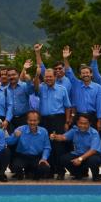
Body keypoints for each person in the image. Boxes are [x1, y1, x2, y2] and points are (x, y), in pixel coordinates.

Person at [31, 44, 72, 179]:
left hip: (58, 119)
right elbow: (35, 85)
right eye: (46, 77)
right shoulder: (41, 87)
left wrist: (67, 122)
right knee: (46, 145)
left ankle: (60, 171)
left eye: (50, 77)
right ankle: (49, 171)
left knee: (58, 146)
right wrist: (37, 73)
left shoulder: (62, 89)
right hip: (44, 120)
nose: (48, 78)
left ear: (55, 77)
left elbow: (67, 106)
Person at [62, 47, 101, 130]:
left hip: (92, 116)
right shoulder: (76, 84)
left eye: (87, 73)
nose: (85, 75)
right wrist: (65, 59)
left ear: (91, 74)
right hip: (78, 116)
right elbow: (69, 72)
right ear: (80, 75)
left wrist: (99, 120)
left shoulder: (98, 87)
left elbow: (99, 105)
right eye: (83, 73)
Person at [54, 114, 101, 181]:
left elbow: (93, 150)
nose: (82, 125)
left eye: (85, 123)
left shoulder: (94, 133)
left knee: (94, 160)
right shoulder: (74, 130)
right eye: (80, 123)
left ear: (90, 123)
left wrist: (80, 159)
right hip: (77, 154)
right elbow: (63, 137)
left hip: (89, 155)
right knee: (63, 159)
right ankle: (78, 174)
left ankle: (96, 176)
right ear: (77, 123)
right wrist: (55, 136)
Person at [7, 111, 52, 180]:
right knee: (15, 166)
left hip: (36, 157)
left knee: (44, 168)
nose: (32, 122)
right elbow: (9, 142)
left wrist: (43, 159)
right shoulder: (20, 129)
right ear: (27, 120)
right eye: (30, 120)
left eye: (35, 120)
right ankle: (20, 175)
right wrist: (15, 136)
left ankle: (33, 175)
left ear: (38, 121)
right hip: (22, 156)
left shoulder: (44, 131)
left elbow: (47, 147)